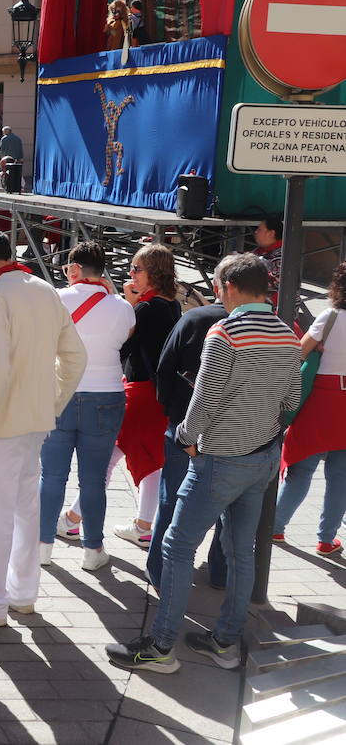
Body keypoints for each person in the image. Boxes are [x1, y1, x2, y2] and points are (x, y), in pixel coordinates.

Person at [108, 253, 300, 674]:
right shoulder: (287, 333)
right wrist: (265, 435)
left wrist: (187, 441)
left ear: (228, 287)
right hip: (262, 458)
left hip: (218, 458)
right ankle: (225, 643)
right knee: (240, 550)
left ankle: (160, 646)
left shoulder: (225, 332)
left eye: (217, 285)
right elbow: (291, 403)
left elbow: (203, 401)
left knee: (177, 547)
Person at [0, 229, 86, 626]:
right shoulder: (44, 289)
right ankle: (22, 593)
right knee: (23, 510)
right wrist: (51, 403)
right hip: (34, 421)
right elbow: (76, 357)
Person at [38, 242, 134, 572]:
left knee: (51, 476)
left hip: (60, 392)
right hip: (106, 396)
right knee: (93, 480)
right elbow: (125, 338)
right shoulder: (122, 307)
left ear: (74, 269)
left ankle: (42, 546)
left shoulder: (55, 300)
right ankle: (92, 549)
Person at [149, 267, 229, 591]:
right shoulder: (269, 328)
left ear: (216, 285)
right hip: (232, 436)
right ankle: (220, 573)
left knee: (171, 500)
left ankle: (159, 570)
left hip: (185, 426)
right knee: (227, 506)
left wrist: (171, 413)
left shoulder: (194, 319)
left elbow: (164, 369)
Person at [111, 243, 183, 549]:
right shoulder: (172, 304)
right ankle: (142, 525)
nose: (131, 274)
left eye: (137, 269)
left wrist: (130, 305)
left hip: (139, 393)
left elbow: (124, 346)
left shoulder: (146, 308)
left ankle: (74, 519)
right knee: (151, 459)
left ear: (153, 273)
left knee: (108, 456)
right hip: (158, 395)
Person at [275, 260, 346, 554]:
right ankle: (326, 539)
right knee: (341, 477)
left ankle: (275, 527)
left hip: (321, 399)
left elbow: (298, 353)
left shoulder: (330, 317)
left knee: (301, 470)